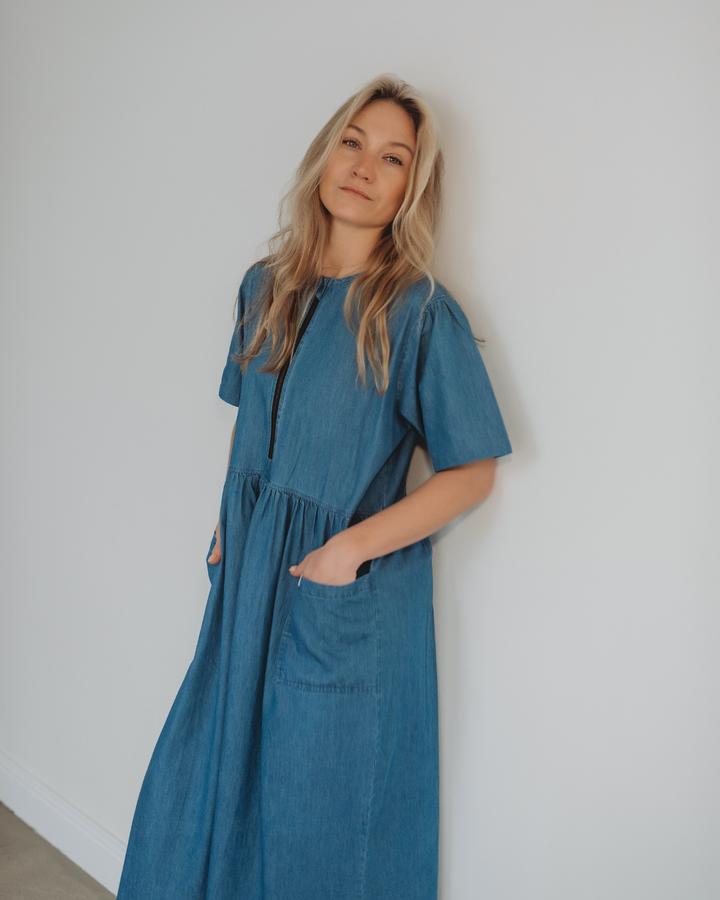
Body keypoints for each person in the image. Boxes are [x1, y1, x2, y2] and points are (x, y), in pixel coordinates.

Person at [116, 73, 512, 900]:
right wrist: (227, 526)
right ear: (325, 154)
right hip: (248, 575)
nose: (365, 166)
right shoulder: (265, 287)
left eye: (393, 157)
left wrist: (349, 551)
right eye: (352, 142)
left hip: (345, 593)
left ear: (414, 187)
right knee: (208, 783)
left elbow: (472, 470)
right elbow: (247, 419)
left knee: (324, 813)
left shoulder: (417, 313)